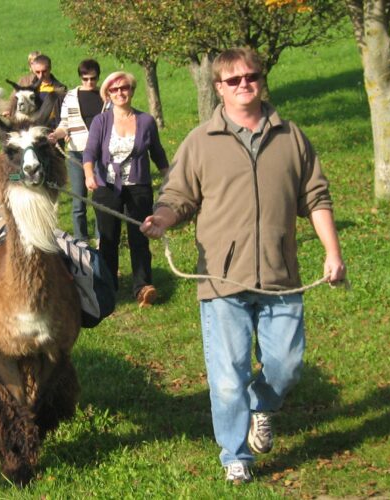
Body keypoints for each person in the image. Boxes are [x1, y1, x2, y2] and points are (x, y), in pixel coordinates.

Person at [140, 48, 346, 483]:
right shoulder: (201, 141)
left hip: (280, 276)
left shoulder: (291, 137)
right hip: (221, 279)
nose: (243, 84)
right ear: (218, 87)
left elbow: (316, 198)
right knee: (228, 377)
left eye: (251, 76)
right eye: (233, 80)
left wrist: (333, 252)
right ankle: (236, 455)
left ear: (261, 79)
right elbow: (178, 197)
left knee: (287, 365)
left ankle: (262, 405)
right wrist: (163, 218)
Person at [82, 71, 168, 307]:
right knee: (108, 238)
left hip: (138, 186)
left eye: (124, 88)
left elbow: (157, 152)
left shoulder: (146, 121)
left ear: (131, 90)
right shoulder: (101, 121)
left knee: (139, 237)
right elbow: (90, 152)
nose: (120, 93)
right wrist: (89, 174)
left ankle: (143, 287)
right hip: (107, 186)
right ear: (108, 94)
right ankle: (108, 286)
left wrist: (169, 178)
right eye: (114, 89)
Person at [48, 59, 105, 242]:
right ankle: (81, 240)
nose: (89, 82)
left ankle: (101, 239)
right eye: (85, 79)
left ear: (98, 77)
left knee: (100, 200)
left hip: (100, 154)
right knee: (78, 200)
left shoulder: (106, 96)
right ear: (80, 77)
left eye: (93, 79)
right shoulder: (70, 97)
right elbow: (64, 125)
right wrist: (55, 135)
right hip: (76, 153)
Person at [7, 53, 67, 122]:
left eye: (44, 71)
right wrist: (8, 110)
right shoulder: (25, 82)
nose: (41, 75)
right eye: (38, 72)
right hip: (27, 124)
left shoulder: (60, 89)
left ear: (50, 68)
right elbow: (14, 99)